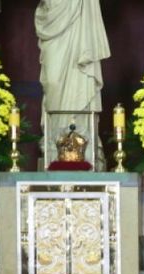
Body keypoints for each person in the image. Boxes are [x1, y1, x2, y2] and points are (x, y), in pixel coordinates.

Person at [35, 0, 110, 166]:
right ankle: (55, 145)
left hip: (80, 17)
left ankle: (85, 146)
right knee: (53, 82)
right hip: (53, 14)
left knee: (81, 80)